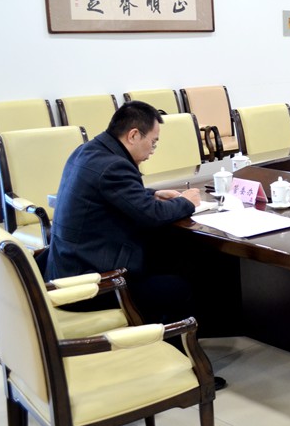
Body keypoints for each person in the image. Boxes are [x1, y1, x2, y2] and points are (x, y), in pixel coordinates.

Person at [43, 101, 226, 388]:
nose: (153, 150)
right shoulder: (113, 166)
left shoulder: (88, 151)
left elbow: (117, 193)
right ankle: (186, 371)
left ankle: (162, 348)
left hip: (68, 268)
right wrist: (186, 202)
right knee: (178, 286)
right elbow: (150, 216)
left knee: (171, 259)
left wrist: (151, 194)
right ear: (133, 135)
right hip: (91, 286)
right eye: (153, 142)